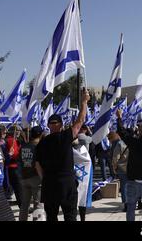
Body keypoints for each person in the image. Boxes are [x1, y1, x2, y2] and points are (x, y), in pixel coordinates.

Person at [35, 87, 90, 221]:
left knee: (52, 217)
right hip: (66, 183)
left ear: (49, 126)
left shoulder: (42, 143)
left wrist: (45, 178)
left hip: (49, 184)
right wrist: (84, 102)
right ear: (61, 125)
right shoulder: (65, 137)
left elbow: (37, 164)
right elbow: (80, 121)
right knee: (70, 216)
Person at [19, 126, 43, 221]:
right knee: (38, 204)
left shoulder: (24, 146)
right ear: (41, 134)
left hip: (24, 177)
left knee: (24, 204)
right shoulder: (39, 147)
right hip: (36, 177)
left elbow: (19, 161)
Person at [72, 137, 93, 221]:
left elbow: (87, 162)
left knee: (82, 198)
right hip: (72, 178)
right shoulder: (68, 149)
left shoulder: (83, 150)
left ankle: (82, 218)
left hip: (83, 178)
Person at [110, 131, 130, 212]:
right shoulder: (133, 142)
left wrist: (114, 167)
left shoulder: (120, 144)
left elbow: (115, 157)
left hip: (122, 168)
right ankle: (138, 201)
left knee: (124, 186)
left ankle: (126, 204)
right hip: (132, 167)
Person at [5, 125, 23, 207]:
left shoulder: (9, 140)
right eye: (18, 131)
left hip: (10, 167)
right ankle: (22, 206)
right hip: (13, 167)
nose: (19, 132)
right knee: (18, 188)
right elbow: (15, 155)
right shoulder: (11, 140)